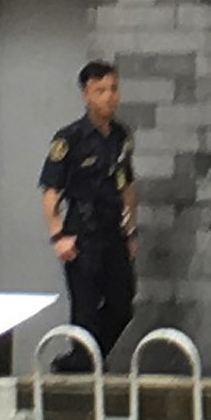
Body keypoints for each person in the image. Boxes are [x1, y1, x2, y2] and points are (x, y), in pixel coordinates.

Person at [39, 60, 142, 365]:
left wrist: (131, 230)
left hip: (112, 231)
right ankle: (84, 369)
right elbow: (50, 192)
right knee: (84, 311)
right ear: (86, 94)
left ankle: (81, 362)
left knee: (122, 306)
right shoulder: (69, 139)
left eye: (113, 89)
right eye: (101, 90)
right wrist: (57, 235)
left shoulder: (121, 136)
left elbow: (126, 186)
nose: (109, 96)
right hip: (82, 233)